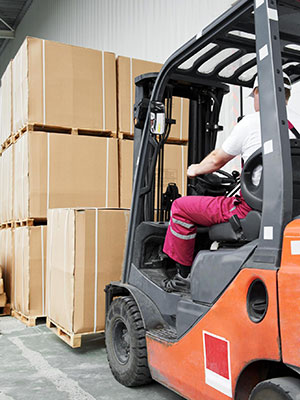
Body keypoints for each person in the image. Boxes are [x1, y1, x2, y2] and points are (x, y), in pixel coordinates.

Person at [162, 72, 300, 293]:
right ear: (287, 95)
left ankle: (183, 277)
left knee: (180, 207)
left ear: (258, 93)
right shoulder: (297, 123)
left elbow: (217, 160)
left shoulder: (254, 121)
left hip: (252, 210)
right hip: (291, 210)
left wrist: (194, 170)